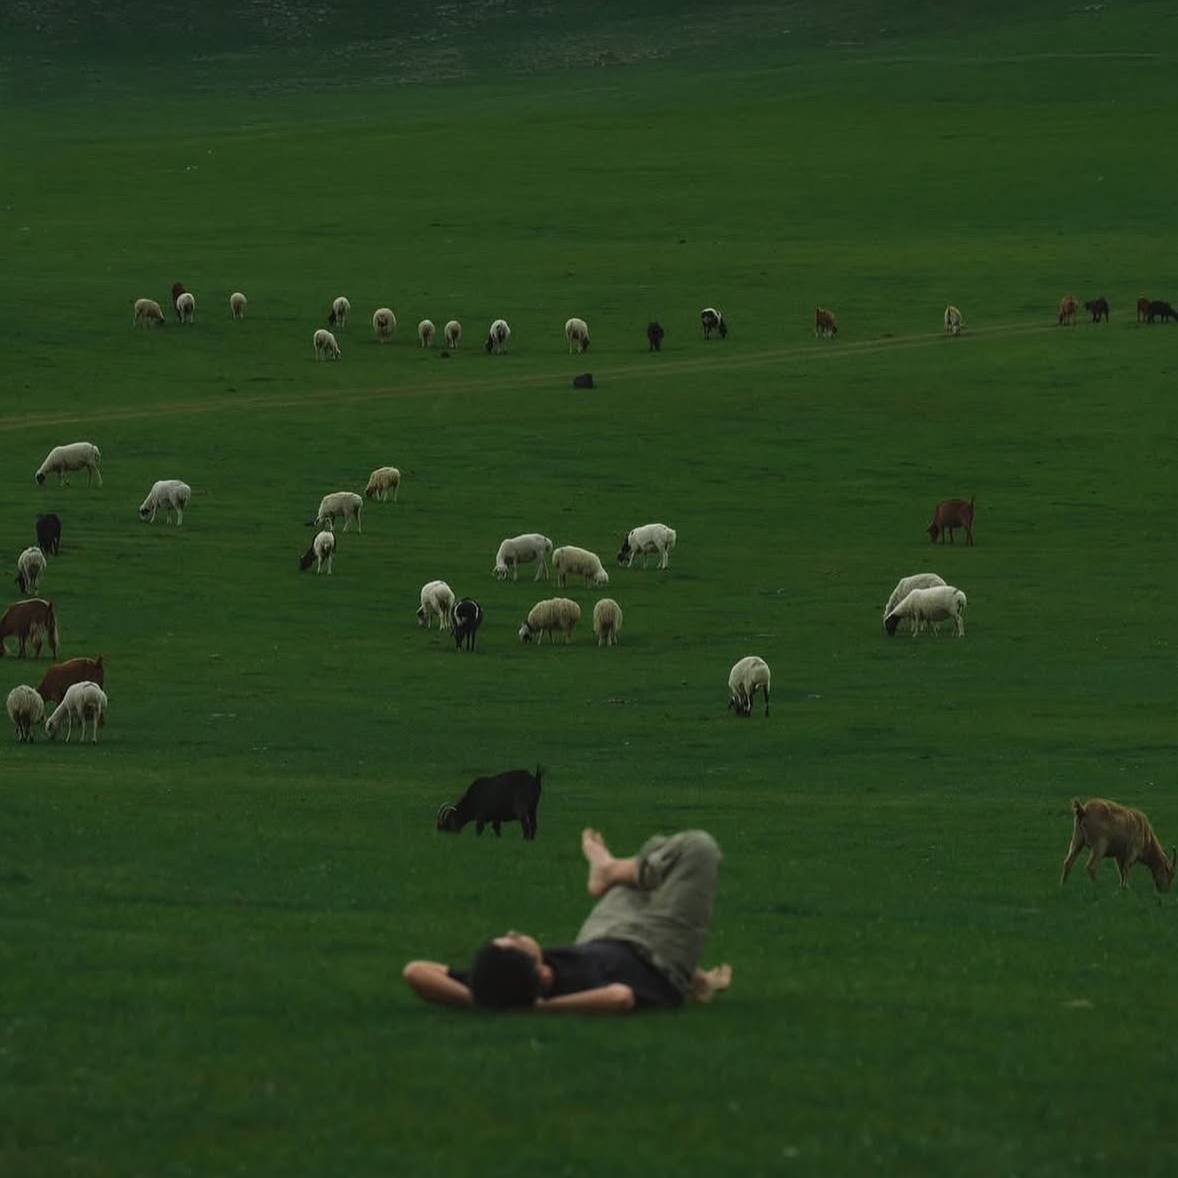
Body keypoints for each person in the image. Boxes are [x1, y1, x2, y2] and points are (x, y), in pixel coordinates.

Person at [403, 828, 732, 1013]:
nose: (513, 932)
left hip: (604, 934)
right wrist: (541, 1008)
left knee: (659, 854)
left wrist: (490, 1003)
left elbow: (416, 971)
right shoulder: (571, 988)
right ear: (542, 974)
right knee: (697, 849)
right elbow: (620, 997)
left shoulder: (499, 982)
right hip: (659, 954)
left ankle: (612, 871)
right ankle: (611, 870)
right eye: (514, 941)